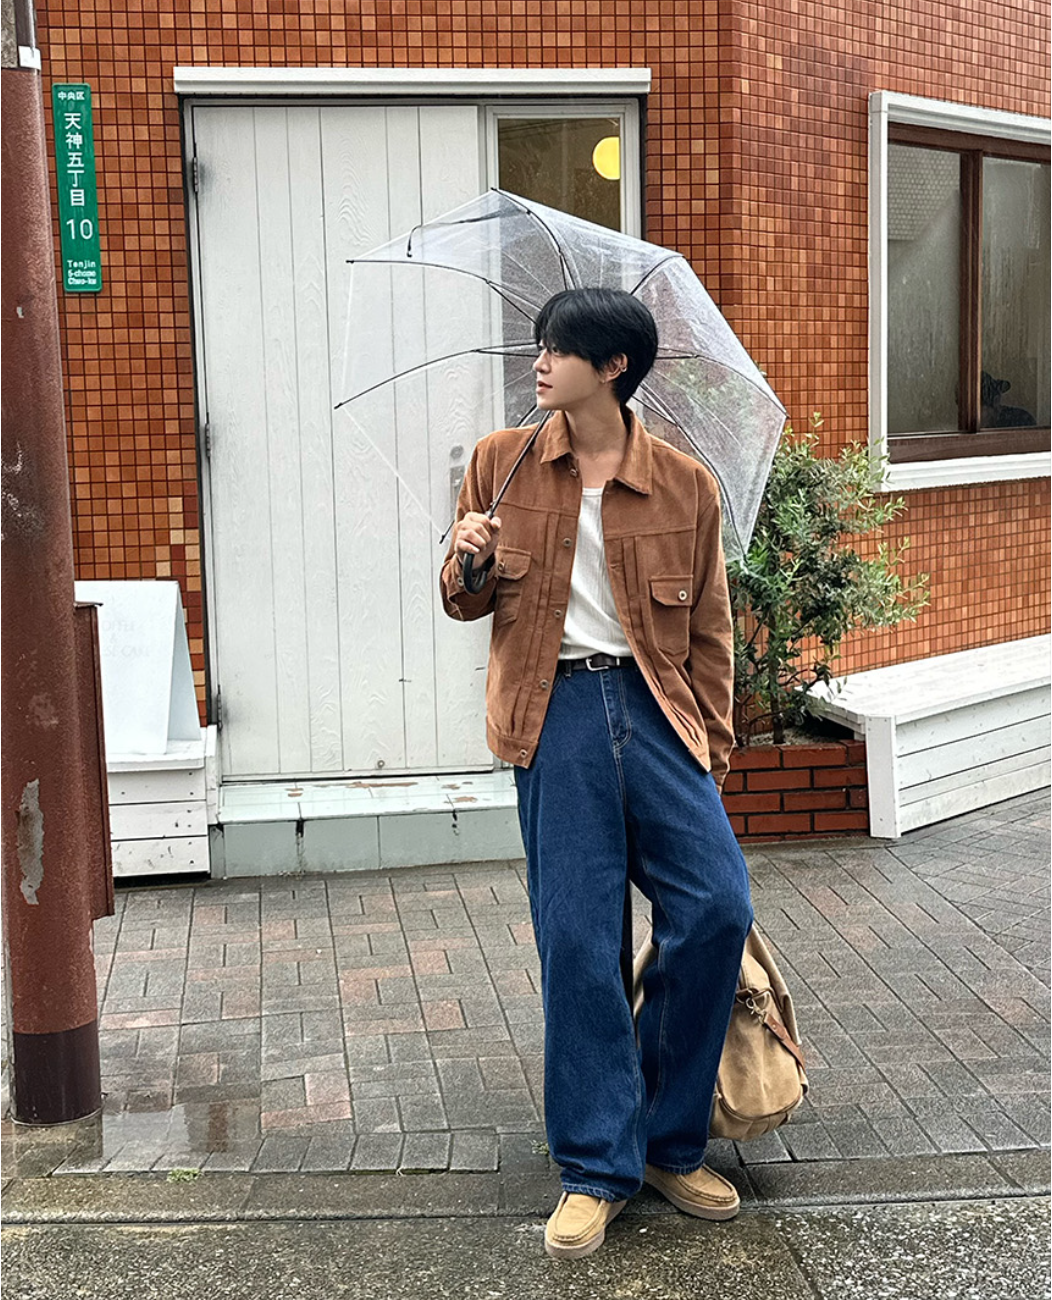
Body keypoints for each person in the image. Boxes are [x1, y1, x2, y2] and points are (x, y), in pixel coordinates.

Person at [439, 287, 753, 1260]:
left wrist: (711, 745)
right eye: (538, 347)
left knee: (715, 908)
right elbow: (460, 604)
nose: (539, 363)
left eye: (557, 348)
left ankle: (666, 1139)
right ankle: (593, 1167)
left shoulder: (682, 487)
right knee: (577, 940)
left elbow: (706, 629)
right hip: (556, 714)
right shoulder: (500, 465)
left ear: (611, 367)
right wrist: (467, 562)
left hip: (657, 715)